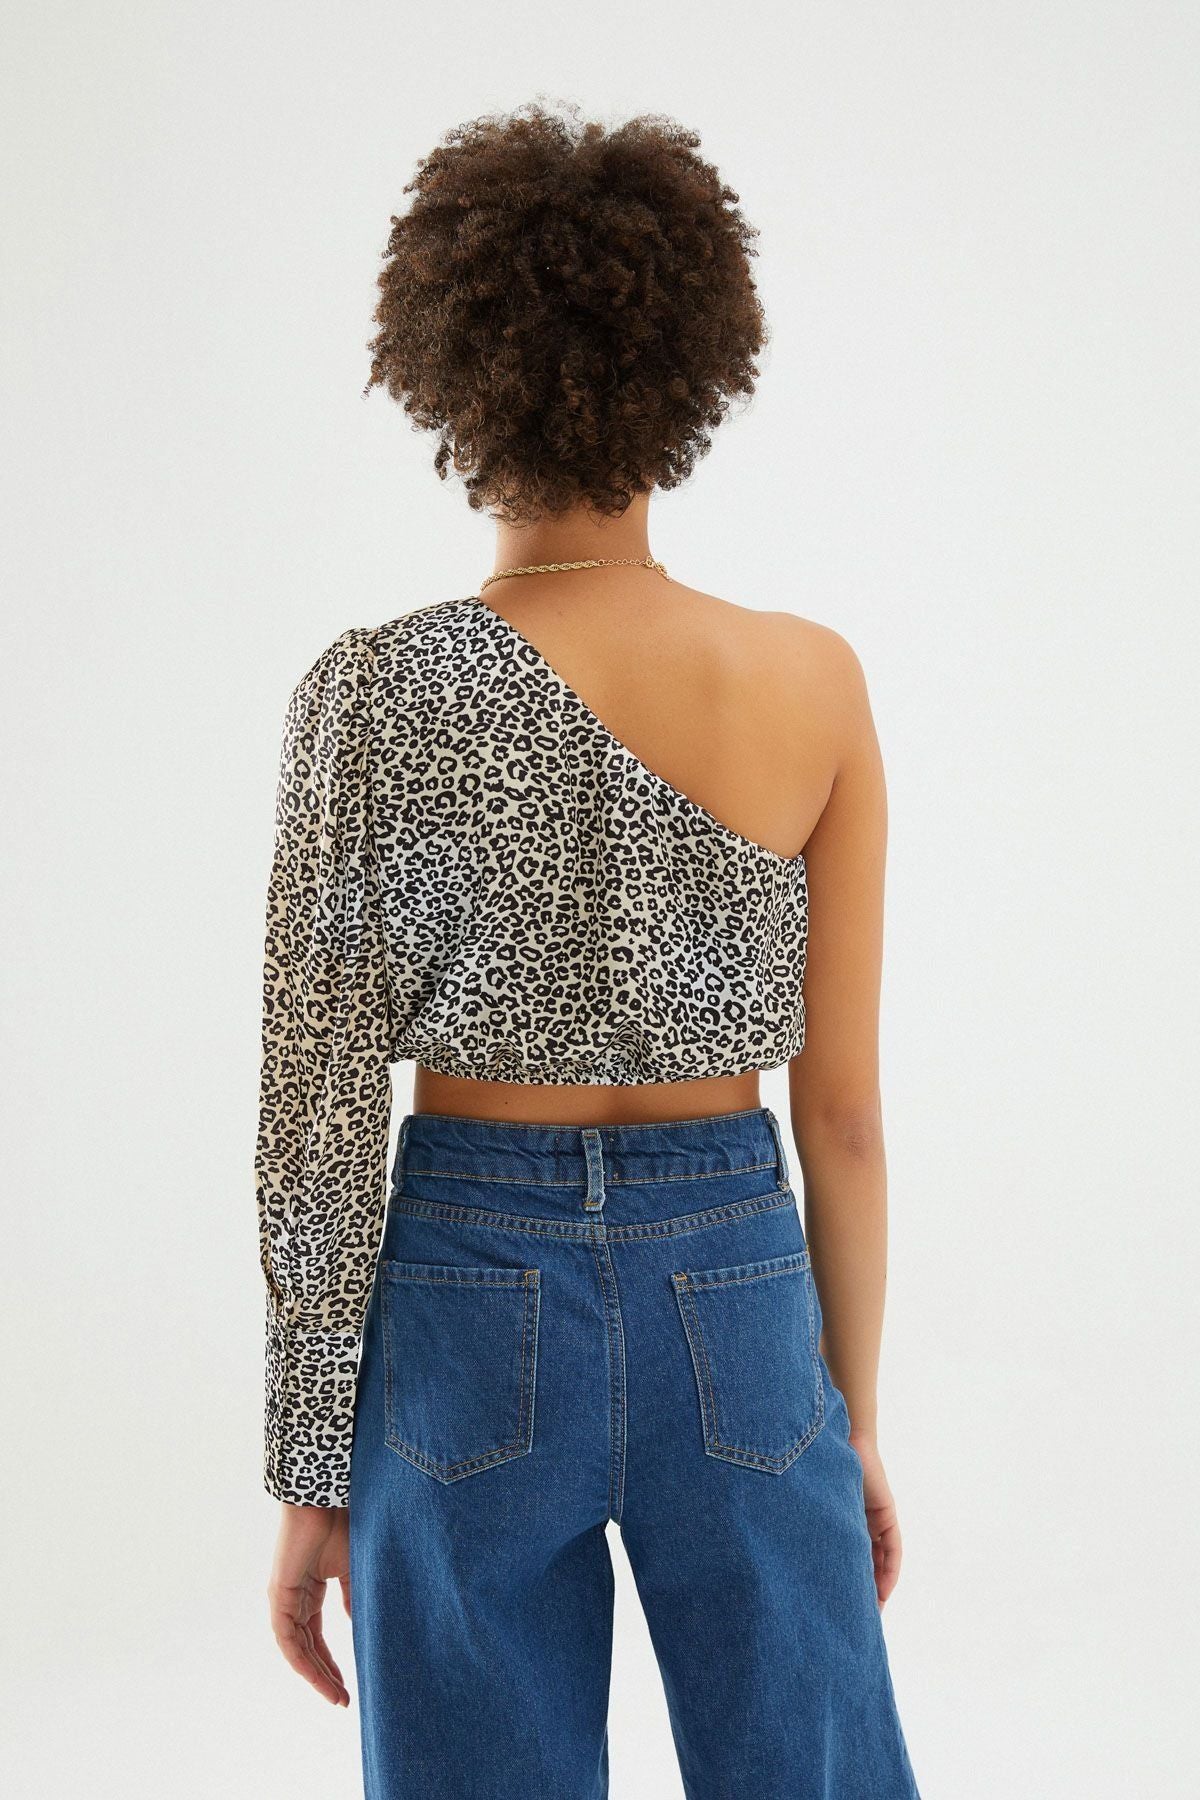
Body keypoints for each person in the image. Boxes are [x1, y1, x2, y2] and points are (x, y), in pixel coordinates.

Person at [255, 99, 922, 1799]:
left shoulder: (372, 691)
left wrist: (310, 1469)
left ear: (450, 381)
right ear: (688, 371)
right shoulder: (810, 680)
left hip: (464, 1290)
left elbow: (317, 1127)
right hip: (738, 1279)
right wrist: (846, 1419)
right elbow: (843, 1118)